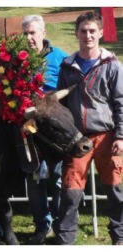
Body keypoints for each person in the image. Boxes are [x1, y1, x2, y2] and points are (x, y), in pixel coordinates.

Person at [53, 11, 123, 245]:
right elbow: (61, 106)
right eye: (83, 31)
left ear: (101, 33)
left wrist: (121, 136)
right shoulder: (67, 66)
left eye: (92, 30)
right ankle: (65, 241)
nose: (88, 35)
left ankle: (120, 240)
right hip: (76, 140)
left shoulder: (112, 65)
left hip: (108, 137)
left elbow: (121, 102)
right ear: (76, 33)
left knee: (115, 192)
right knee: (70, 193)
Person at [21, 14, 68, 245]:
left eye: (33, 32)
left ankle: (61, 226)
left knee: (58, 176)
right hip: (28, 130)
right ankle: (42, 226)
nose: (29, 37)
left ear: (43, 33)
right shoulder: (17, 59)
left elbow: (71, 90)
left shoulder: (61, 58)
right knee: (35, 179)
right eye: (26, 33)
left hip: (54, 129)